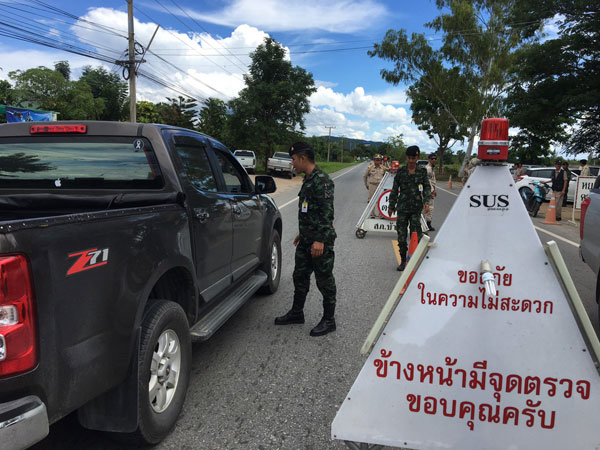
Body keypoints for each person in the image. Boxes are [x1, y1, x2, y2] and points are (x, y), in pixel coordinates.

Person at [274, 141, 337, 337]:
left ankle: (329, 320)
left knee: (324, 280)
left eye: (293, 159)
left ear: (303, 158)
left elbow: (327, 215)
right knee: (299, 276)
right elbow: (310, 210)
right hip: (306, 239)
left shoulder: (323, 181)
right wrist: (303, 232)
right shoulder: (308, 179)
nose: (292, 163)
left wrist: (319, 240)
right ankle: (297, 313)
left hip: (320, 241)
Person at [388, 145, 431, 271]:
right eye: (409, 158)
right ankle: (402, 261)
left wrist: (427, 201)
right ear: (407, 157)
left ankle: (414, 260)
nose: (411, 160)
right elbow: (395, 189)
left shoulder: (422, 171)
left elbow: (427, 187)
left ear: (417, 157)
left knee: (415, 235)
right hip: (402, 209)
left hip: (416, 209)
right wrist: (391, 206)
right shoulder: (401, 172)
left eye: (414, 158)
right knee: (401, 236)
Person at [424, 152, 437, 231]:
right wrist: (432, 191)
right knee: (429, 208)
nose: (434, 160)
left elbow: (433, 181)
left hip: (430, 190)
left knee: (428, 208)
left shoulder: (432, 167)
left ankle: (426, 224)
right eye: (432, 159)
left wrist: (434, 190)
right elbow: (428, 182)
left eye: (435, 159)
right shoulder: (428, 169)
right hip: (428, 191)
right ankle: (427, 224)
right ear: (429, 159)